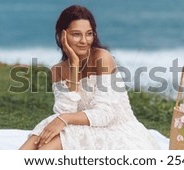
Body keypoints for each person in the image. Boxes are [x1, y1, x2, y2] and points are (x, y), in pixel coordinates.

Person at [19, 5, 161, 150]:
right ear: (63, 35)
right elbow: (65, 112)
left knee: (43, 151)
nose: (84, 41)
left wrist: (65, 119)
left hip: (114, 130)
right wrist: (74, 66)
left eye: (89, 34)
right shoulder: (58, 70)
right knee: (32, 144)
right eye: (76, 34)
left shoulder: (102, 58)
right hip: (78, 127)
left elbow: (105, 114)